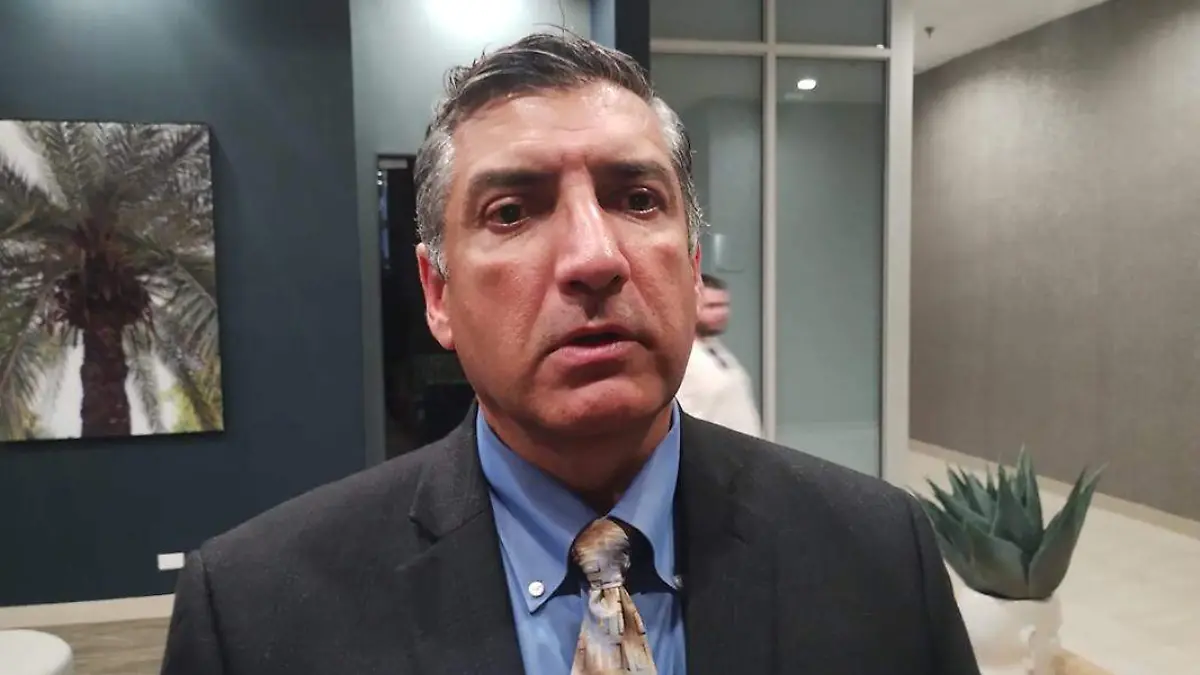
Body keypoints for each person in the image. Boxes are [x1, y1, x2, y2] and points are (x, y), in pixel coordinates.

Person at [160, 32, 980, 675]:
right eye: (512, 212)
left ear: (691, 267)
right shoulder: (256, 613)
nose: (594, 256)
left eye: (637, 199)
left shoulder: (880, 555)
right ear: (438, 293)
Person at [675, 273, 762, 437]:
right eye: (712, 306)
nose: (721, 313)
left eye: (725, 305)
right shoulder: (681, 358)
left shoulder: (716, 349)